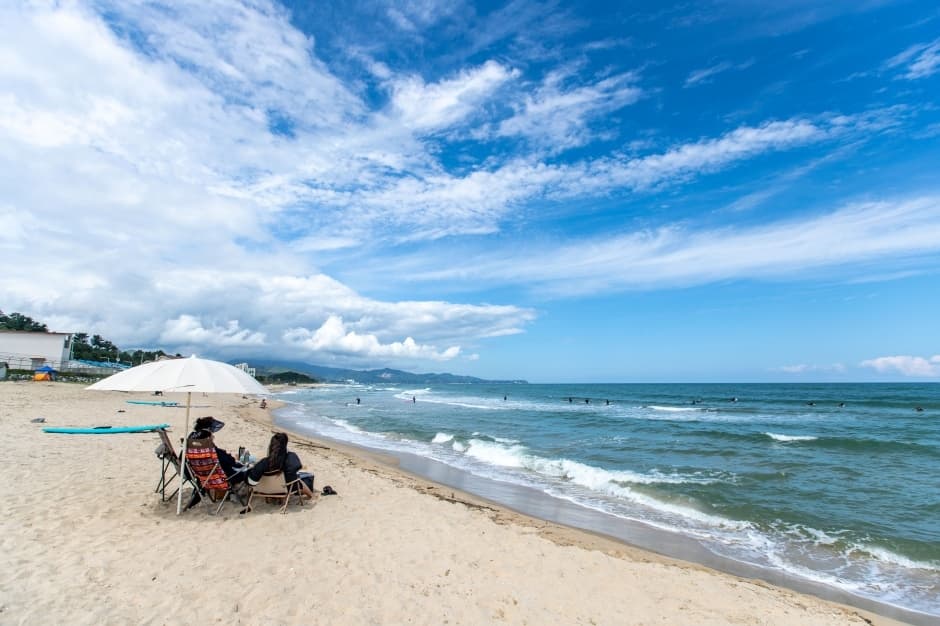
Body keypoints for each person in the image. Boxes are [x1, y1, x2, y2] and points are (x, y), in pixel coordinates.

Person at [247, 432, 315, 498]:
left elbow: (251, 481)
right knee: (299, 480)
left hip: (266, 489)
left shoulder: (264, 462)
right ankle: (312, 496)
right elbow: (297, 467)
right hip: (285, 489)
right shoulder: (290, 457)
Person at [187, 416, 247, 485]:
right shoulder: (211, 451)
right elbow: (229, 461)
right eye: (211, 434)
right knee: (249, 470)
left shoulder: (190, 448)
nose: (213, 436)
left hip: (200, 477)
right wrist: (229, 456)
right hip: (220, 479)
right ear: (208, 437)